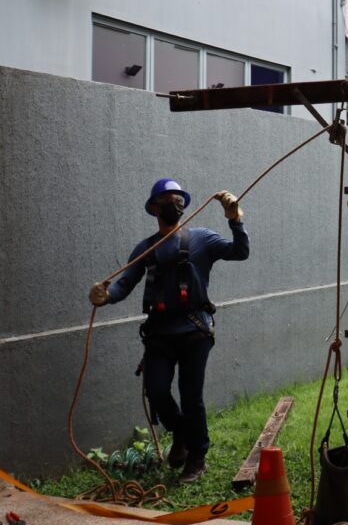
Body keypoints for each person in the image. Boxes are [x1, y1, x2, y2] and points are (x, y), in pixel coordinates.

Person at [88, 179, 249, 483]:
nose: (173, 202)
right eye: (166, 199)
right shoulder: (145, 249)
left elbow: (240, 252)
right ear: (154, 207)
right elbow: (124, 283)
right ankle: (182, 434)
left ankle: (197, 456)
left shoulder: (203, 239)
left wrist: (235, 219)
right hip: (160, 333)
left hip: (195, 329)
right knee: (158, 391)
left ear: (183, 205)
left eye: (177, 198)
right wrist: (106, 295)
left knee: (191, 397)